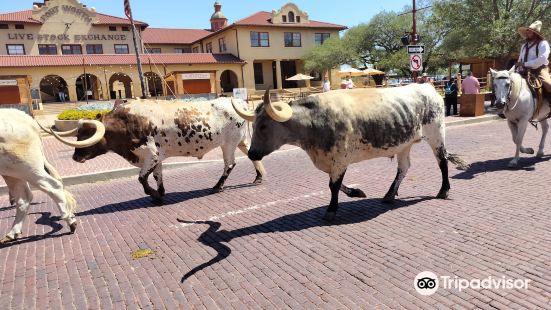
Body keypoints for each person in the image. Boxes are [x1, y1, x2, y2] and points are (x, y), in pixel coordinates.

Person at [516, 20, 551, 101]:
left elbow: (541, 60)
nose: (527, 34)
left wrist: (524, 64)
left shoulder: (543, 43)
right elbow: (520, 59)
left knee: (549, 84)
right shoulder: (524, 46)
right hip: (523, 70)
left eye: (530, 32)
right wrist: (518, 68)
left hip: (539, 70)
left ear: (535, 34)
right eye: (527, 32)